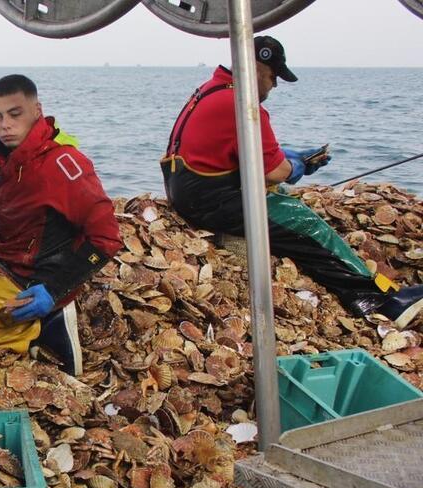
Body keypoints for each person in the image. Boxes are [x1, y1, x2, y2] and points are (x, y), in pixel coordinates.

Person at [160, 35, 423, 327]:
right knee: (305, 224)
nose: (274, 85)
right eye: (273, 77)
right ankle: (379, 299)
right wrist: (295, 166)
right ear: (258, 68)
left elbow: (240, 150)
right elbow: (276, 172)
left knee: (284, 204)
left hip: (188, 193)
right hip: (211, 201)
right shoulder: (242, 104)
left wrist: (290, 156)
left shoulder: (212, 90)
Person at [0, 74, 122, 375]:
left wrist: (54, 290)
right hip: (4, 261)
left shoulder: (64, 165)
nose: (5, 125)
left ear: (37, 110)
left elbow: (106, 237)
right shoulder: (0, 157)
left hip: (34, 278)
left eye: (15, 114)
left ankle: (41, 326)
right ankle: (16, 314)